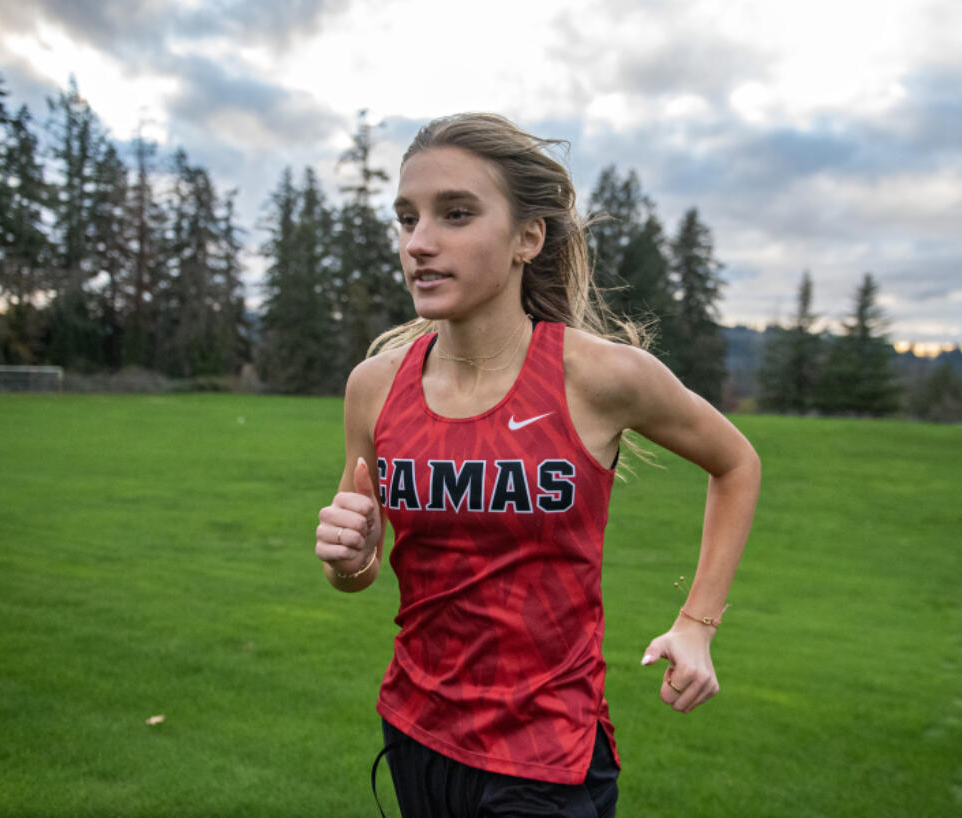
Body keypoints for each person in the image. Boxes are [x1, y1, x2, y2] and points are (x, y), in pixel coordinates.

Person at [314, 113, 760, 817]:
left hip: (548, 753)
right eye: (407, 219)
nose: (419, 244)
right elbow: (357, 572)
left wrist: (697, 625)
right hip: (415, 731)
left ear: (528, 237)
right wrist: (349, 556)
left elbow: (736, 462)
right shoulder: (375, 387)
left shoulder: (599, 377)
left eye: (455, 214)